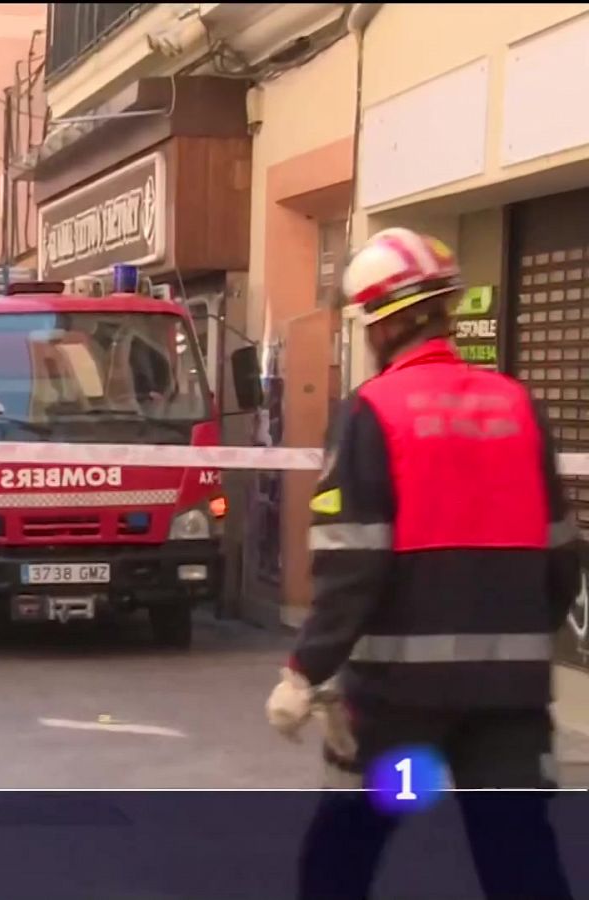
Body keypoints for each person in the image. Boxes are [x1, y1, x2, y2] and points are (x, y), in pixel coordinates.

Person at [265, 228, 580, 899]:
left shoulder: (373, 413)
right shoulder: (521, 407)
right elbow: (562, 557)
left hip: (399, 709)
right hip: (509, 706)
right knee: (519, 856)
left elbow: (352, 568)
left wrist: (306, 672)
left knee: (347, 850)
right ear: (446, 311)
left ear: (378, 327)